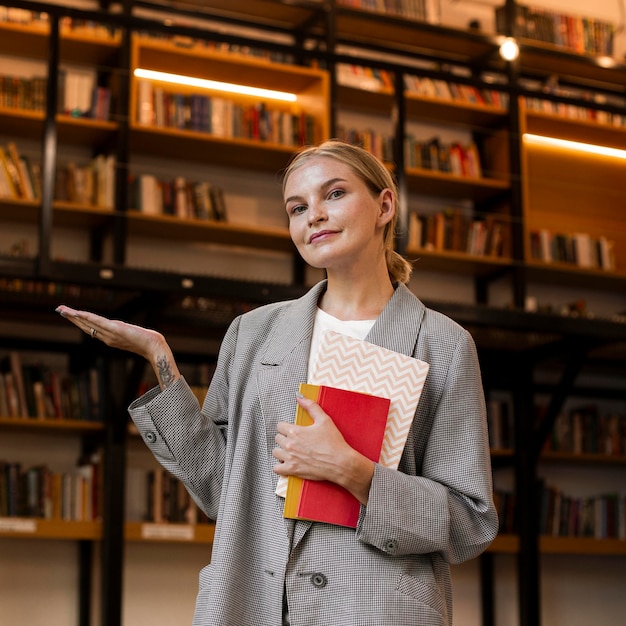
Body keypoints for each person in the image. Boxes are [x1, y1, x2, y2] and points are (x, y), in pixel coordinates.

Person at [56, 139, 498, 626]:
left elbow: (470, 522)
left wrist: (354, 471)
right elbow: (221, 488)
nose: (314, 215)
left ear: (384, 205)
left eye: (333, 194)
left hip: (375, 609)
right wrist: (160, 359)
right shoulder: (254, 333)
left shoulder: (444, 344)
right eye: (297, 207)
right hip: (253, 606)